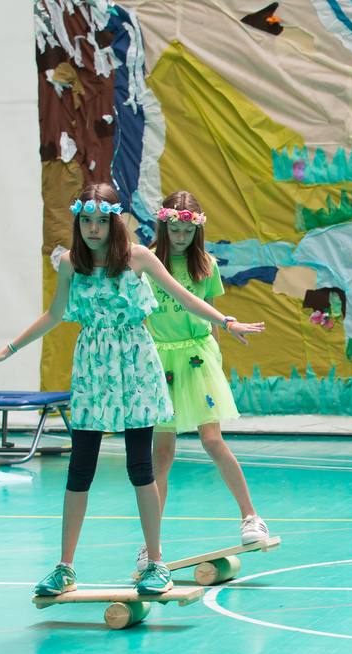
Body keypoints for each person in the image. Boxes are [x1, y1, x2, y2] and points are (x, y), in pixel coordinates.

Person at [0, 183, 264, 596]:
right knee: (80, 469)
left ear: (115, 222)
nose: (93, 229)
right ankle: (64, 566)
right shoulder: (69, 264)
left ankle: (155, 561)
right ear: (78, 221)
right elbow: (54, 314)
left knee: (140, 467)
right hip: (93, 371)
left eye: (101, 220)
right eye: (86, 221)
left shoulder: (137, 258)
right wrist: (6, 350)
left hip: (136, 367)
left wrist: (226, 321)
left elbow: (184, 297)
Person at [140, 191, 270, 575]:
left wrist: (222, 339)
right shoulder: (147, 260)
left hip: (197, 359)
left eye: (186, 230)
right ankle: (151, 546)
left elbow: (210, 312)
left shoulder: (205, 265)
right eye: (174, 229)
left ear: (197, 230)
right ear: (164, 226)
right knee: (161, 454)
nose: (180, 236)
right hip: (160, 360)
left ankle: (251, 517)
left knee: (212, 440)